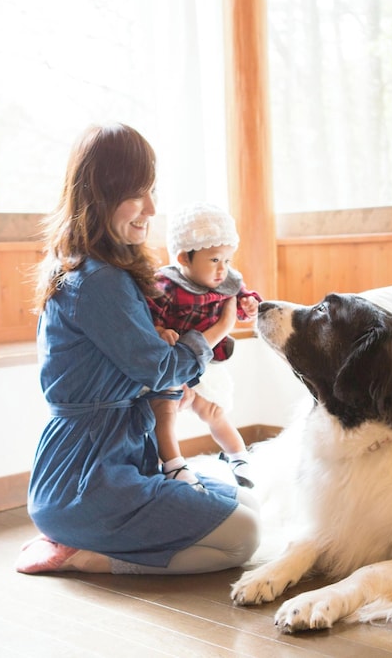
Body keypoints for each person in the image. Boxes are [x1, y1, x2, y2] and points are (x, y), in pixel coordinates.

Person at [14, 123, 260, 576]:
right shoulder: (98, 279)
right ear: (99, 196)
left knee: (244, 499)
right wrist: (219, 328)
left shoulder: (100, 268)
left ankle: (78, 538)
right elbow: (163, 370)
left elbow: (148, 360)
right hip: (89, 480)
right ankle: (84, 555)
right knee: (243, 538)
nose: (151, 208)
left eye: (152, 191)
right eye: (136, 194)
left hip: (108, 464)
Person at [147, 203, 262, 489]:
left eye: (227, 260)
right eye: (213, 260)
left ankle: (238, 455)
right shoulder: (166, 284)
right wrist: (160, 330)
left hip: (207, 360)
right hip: (174, 360)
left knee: (213, 411)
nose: (222, 269)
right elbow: (150, 314)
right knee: (165, 408)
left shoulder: (228, 281)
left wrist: (249, 305)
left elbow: (243, 305)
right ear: (184, 258)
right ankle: (173, 463)